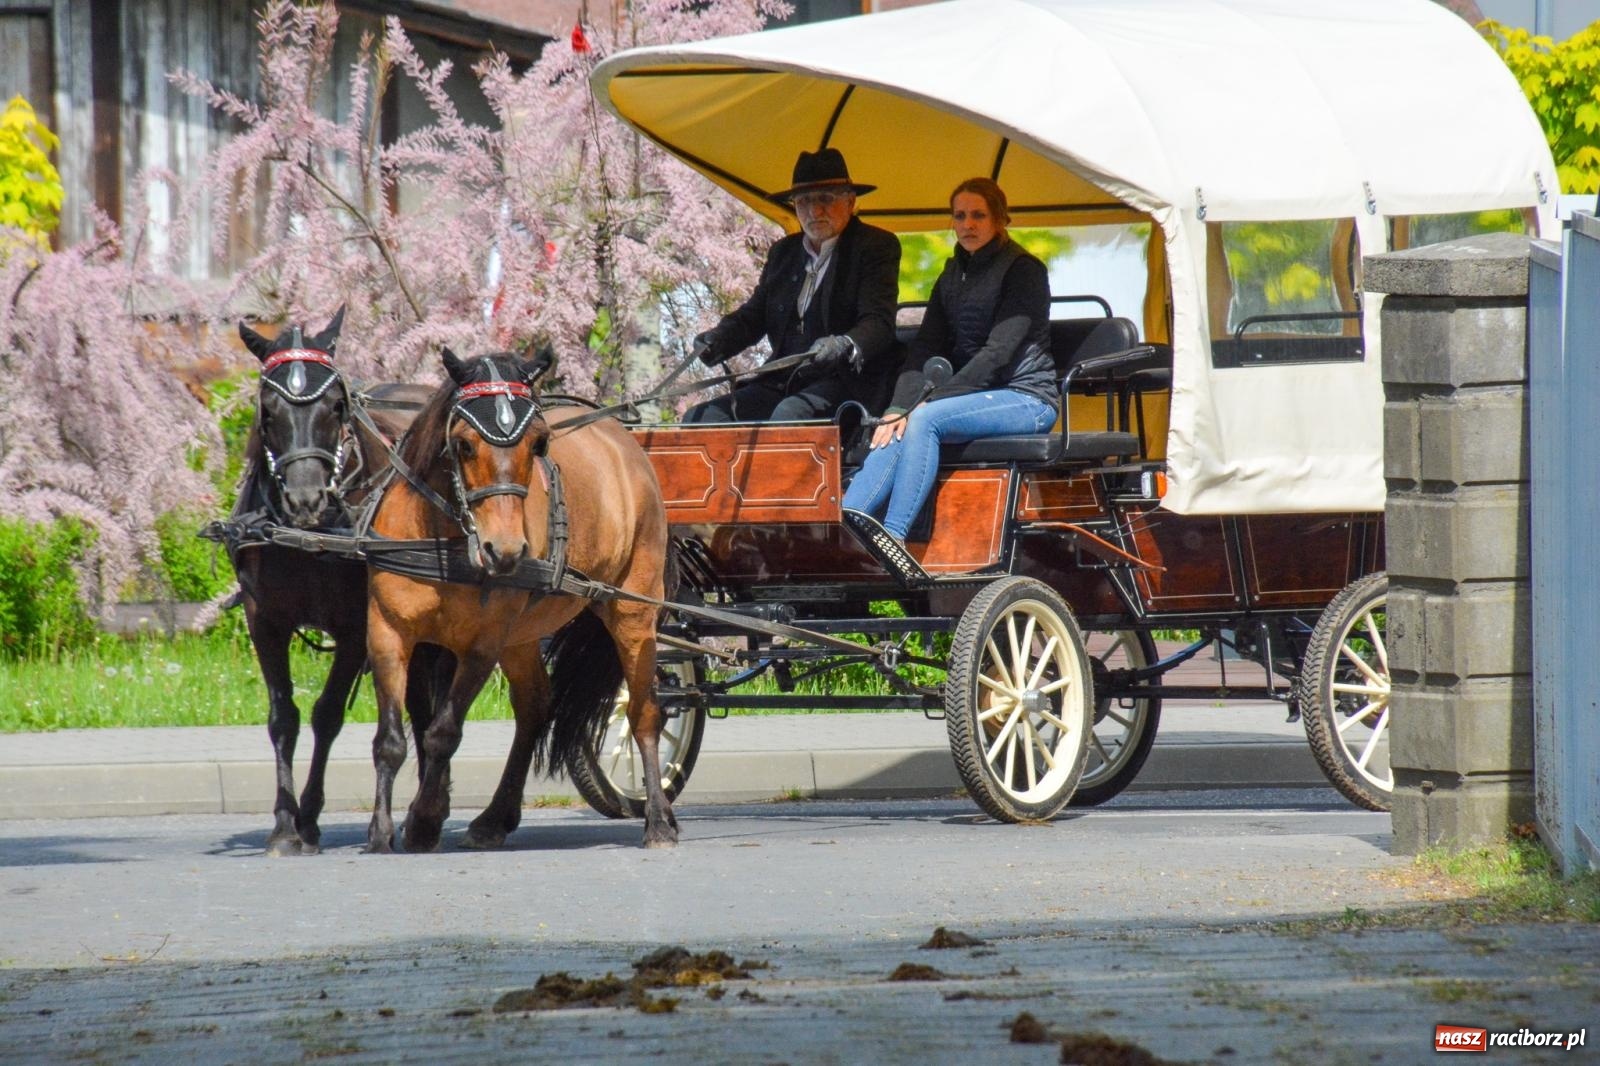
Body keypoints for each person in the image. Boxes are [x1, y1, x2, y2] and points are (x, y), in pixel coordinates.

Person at [841, 178, 1056, 575]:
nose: (967, 224)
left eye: (978, 215)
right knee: (892, 426)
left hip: (1026, 397)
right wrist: (898, 406)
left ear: (1000, 219)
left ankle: (894, 539)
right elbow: (925, 346)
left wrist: (924, 404)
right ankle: (848, 525)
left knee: (924, 419)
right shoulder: (952, 274)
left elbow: (998, 354)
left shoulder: (1024, 270)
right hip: (971, 396)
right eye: (960, 216)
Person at [683, 148, 901, 423]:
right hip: (782, 381)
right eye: (803, 201)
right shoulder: (783, 253)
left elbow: (879, 321)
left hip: (847, 382)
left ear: (850, 201)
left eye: (825, 199)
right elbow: (755, 316)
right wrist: (718, 339)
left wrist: (844, 345)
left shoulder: (875, 246)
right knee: (700, 418)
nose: (814, 211)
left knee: (788, 416)